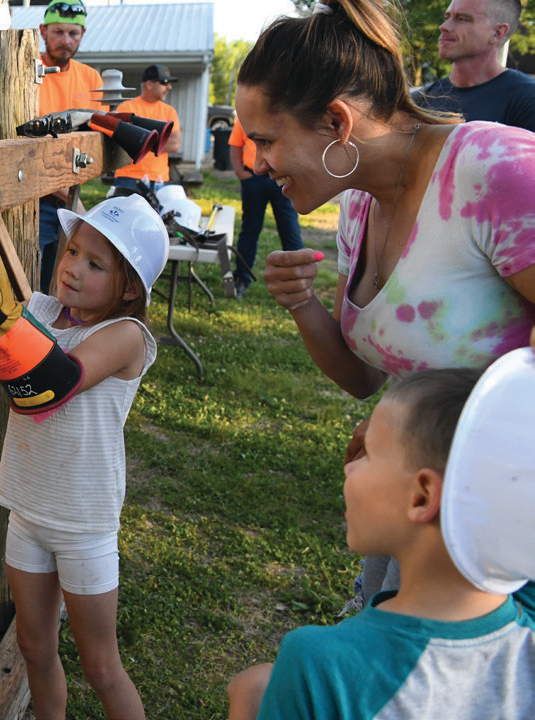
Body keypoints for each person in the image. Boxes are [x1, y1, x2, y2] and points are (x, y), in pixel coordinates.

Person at [242, 0, 535, 608]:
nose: (260, 163)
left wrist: (429, 435)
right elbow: (363, 376)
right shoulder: (358, 201)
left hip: (502, 549)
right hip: (421, 524)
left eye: (266, 140)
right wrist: (303, 306)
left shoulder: (494, 170)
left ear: (335, 124)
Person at [0, 195, 171, 719]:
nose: (72, 268)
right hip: (26, 508)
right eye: (71, 251)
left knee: (100, 666)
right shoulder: (40, 310)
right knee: (34, 648)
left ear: (130, 287)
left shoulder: (125, 336)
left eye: (95, 264)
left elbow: (54, 380)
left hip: (82, 523)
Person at [227, 366, 535, 720]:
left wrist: (248, 705)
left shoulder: (320, 665)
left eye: (369, 454)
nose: (349, 468)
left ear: (421, 496)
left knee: (250, 687)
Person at [36, 0, 105, 292]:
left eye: (73, 33)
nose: (66, 40)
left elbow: (95, 140)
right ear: (43, 31)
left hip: (71, 193)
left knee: (61, 281)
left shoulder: (91, 78)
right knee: (30, 281)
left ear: (83, 33)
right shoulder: (27, 72)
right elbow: (27, 148)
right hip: (32, 199)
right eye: (58, 32)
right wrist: (73, 202)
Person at [413, 0, 535, 132]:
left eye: (462, 19)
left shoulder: (527, 100)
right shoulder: (421, 100)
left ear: (497, 33)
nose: (444, 26)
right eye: (447, 17)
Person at [227, 116, 303, 299]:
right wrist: (239, 171)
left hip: (283, 178)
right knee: (250, 230)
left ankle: (298, 281)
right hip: (253, 179)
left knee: (289, 229)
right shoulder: (247, 115)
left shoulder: (288, 113)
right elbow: (235, 145)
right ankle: (241, 279)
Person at [111, 64, 183, 194]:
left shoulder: (169, 111)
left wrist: (139, 140)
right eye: (164, 82)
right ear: (149, 84)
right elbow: (119, 140)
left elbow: (174, 143)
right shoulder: (125, 108)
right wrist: (159, 140)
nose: (169, 87)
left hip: (159, 180)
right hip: (128, 177)